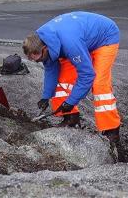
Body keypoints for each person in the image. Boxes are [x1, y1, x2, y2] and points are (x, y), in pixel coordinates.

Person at [22, 11, 121, 143]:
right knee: (62, 81)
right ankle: (71, 119)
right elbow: (51, 70)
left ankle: (112, 130)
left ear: (45, 49)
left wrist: (71, 101)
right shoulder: (40, 40)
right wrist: (46, 96)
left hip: (105, 38)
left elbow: (87, 75)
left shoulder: (70, 44)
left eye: (39, 59)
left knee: (99, 84)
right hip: (80, 39)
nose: (38, 62)